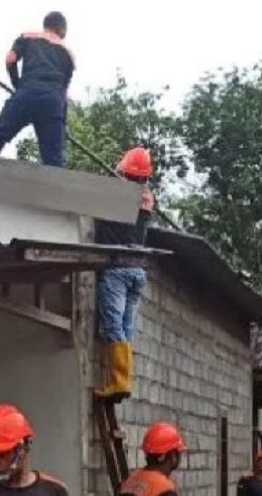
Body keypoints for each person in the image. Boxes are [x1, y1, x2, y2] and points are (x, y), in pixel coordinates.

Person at [93, 147, 156, 402]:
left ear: (123, 172)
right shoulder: (147, 198)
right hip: (138, 269)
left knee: (114, 324)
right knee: (127, 327)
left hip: (117, 268)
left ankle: (119, 381)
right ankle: (124, 380)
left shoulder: (116, 195)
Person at [0, 12, 74, 167]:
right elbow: (63, 96)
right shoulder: (68, 54)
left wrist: (18, 86)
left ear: (46, 25)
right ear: (62, 29)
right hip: (52, 102)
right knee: (53, 158)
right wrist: (61, 126)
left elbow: (10, 59)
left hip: (27, 92)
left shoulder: (28, 36)